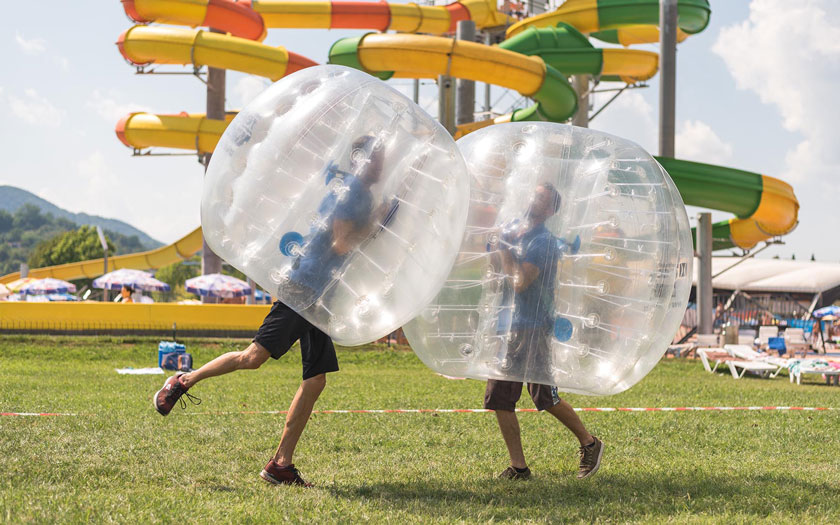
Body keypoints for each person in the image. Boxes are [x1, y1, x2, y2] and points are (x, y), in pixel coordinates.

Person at [153, 135, 385, 487]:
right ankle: (183, 381)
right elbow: (340, 242)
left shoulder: (355, 190)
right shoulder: (353, 191)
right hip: (304, 288)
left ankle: (280, 464)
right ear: (362, 160)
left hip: (317, 296)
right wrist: (377, 225)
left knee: (315, 380)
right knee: (252, 358)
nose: (384, 164)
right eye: (379, 157)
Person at [485, 182, 603, 481]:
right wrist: (496, 248)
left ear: (550, 210)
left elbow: (520, 282)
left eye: (540, 198)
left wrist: (504, 249)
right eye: (532, 193)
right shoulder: (515, 232)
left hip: (533, 326)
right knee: (499, 397)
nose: (532, 199)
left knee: (544, 396)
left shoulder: (544, 243)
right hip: (508, 323)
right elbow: (498, 272)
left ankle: (590, 443)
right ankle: (519, 467)